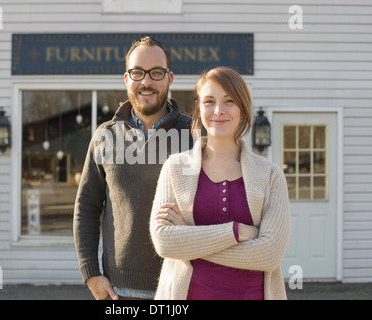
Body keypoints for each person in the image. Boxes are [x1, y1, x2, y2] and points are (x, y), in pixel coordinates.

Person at [150, 66, 291, 300]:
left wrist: (189, 239)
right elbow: (165, 242)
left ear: (243, 108)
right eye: (209, 101)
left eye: (229, 100)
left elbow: (270, 255)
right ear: (198, 107)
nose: (218, 110)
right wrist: (236, 232)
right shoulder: (175, 168)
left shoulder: (270, 175)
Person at [73, 36, 193, 300]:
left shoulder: (194, 135)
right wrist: (91, 273)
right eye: (137, 73)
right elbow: (87, 207)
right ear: (126, 78)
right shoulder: (104, 136)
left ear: (170, 78)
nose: (146, 82)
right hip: (119, 292)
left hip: (183, 287)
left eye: (156, 73)